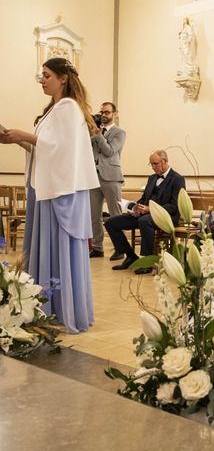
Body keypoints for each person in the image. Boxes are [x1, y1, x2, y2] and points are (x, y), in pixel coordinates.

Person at [0, 57, 99, 333]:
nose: (42, 80)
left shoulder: (67, 107)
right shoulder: (54, 110)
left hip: (59, 193)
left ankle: (57, 309)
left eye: (46, 75)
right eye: (41, 76)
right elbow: (46, 150)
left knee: (58, 248)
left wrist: (25, 134)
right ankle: (45, 306)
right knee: (47, 248)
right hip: (47, 188)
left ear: (62, 78)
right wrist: (17, 139)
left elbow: (62, 150)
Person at [105, 150, 185, 275]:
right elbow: (144, 198)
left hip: (165, 217)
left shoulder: (177, 179)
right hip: (145, 214)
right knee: (111, 223)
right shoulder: (152, 178)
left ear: (164, 162)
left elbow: (174, 206)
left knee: (144, 221)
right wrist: (136, 207)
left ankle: (147, 262)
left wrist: (151, 209)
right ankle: (131, 256)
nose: (153, 167)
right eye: (151, 164)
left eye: (155, 164)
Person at [89, 101, 126, 260]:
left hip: (111, 177)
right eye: (102, 112)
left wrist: (98, 135)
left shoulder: (119, 132)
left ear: (115, 114)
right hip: (93, 177)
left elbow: (110, 151)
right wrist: (91, 133)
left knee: (115, 215)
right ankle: (97, 248)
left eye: (107, 112)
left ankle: (120, 248)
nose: (104, 115)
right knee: (94, 215)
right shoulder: (94, 132)